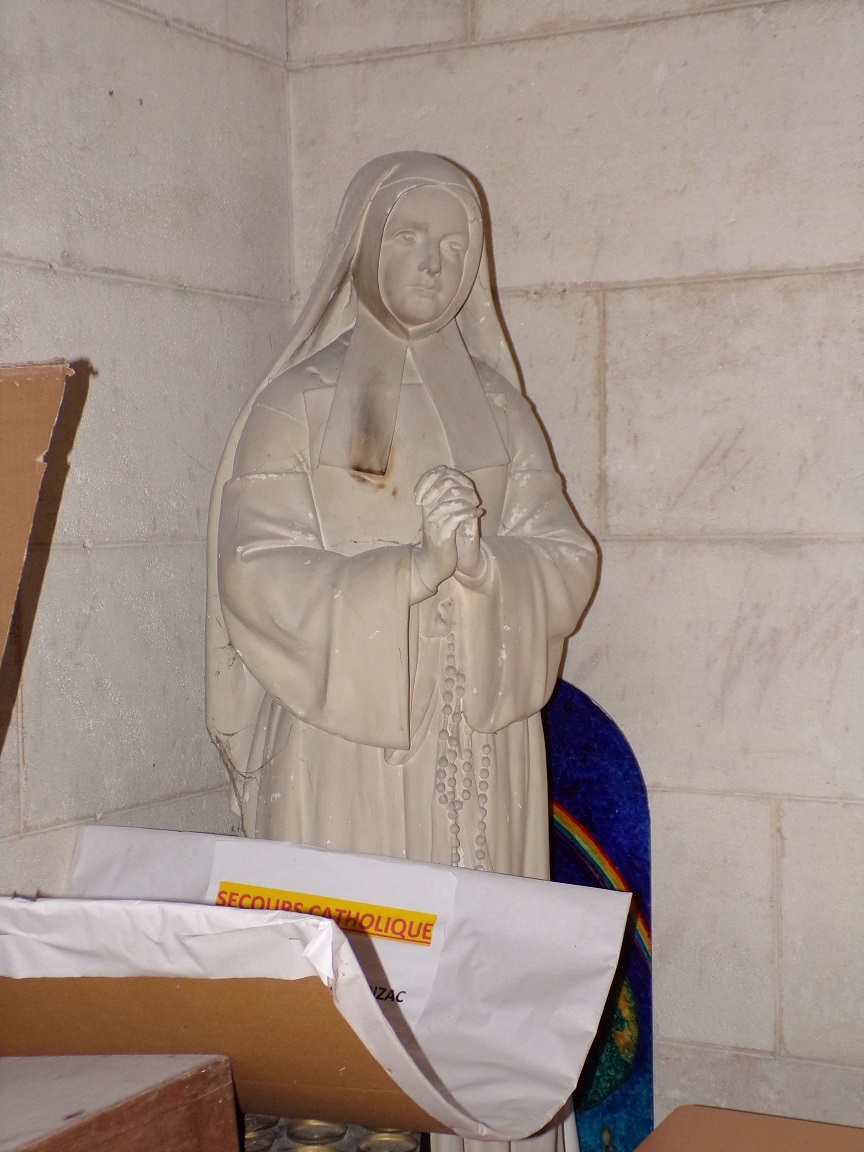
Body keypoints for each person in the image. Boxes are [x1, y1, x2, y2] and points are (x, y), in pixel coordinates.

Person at [206, 152, 598, 1149]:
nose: (436, 261)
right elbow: (253, 566)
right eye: (413, 238)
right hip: (349, 747)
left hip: (479, 743)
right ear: (364, 247)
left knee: (461, 1024)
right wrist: (407, 575)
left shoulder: (500, 413)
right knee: (344, 1033)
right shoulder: (299, 404)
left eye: (456, 244)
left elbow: (563, 553)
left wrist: (480, 571)